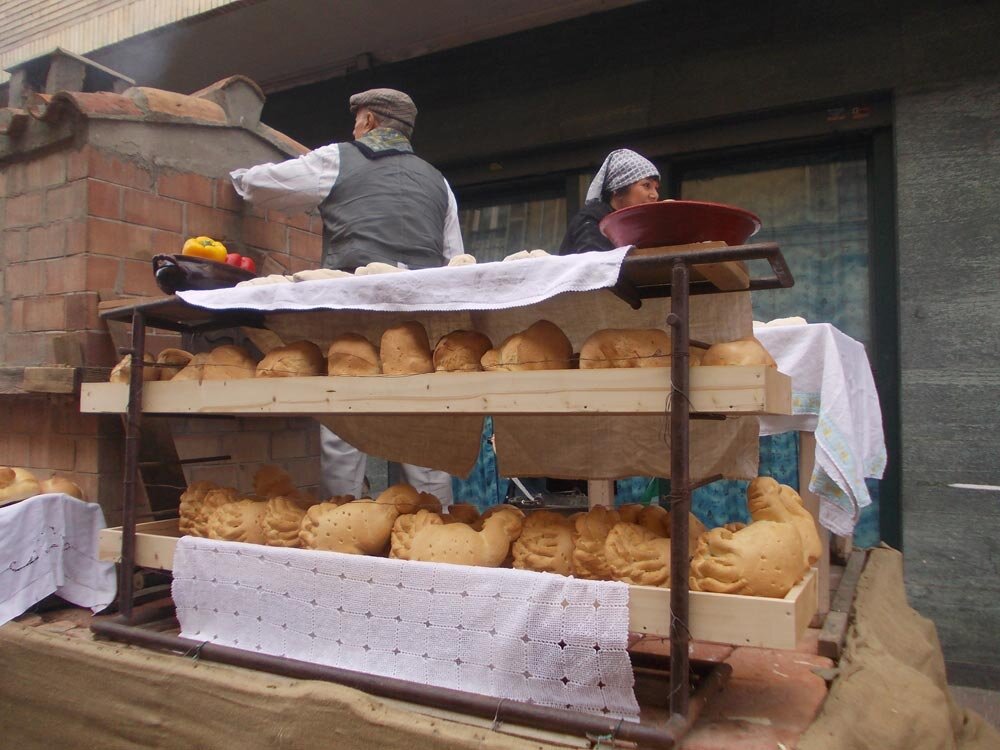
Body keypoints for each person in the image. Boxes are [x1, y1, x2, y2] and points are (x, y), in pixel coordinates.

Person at [230, 88, 460, 504]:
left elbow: (263, 186)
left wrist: (236, 178)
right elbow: (455, 260)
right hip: (419, 320)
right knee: (423, 428)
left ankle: (341, 524)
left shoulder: (338, 158)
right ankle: (437, 529)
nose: (353, 128)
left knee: (344, 425)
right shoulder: (438, 181)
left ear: (369, 121)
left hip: (357, 307)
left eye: (357, 120)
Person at [558, 148, 660, 255]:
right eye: (646, 185)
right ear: (618, 188)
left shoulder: (638, 226)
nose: (655, 195)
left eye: (656, 188)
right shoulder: (593, 219)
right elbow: (597, 266)